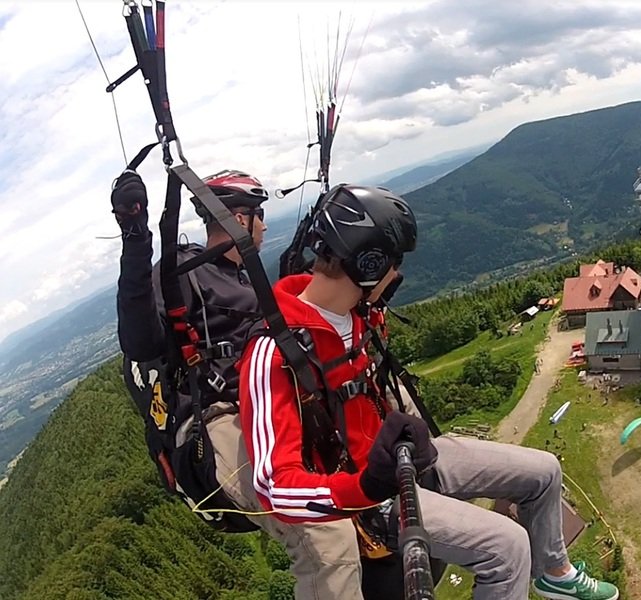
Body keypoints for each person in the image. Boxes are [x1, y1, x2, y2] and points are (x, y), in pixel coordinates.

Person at [238, 184, 620, 600]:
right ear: (369, 264)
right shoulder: (274, 353)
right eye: (395, 263)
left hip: (408, 460)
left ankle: (554, 572)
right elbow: (274, 488)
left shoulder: (356, 315)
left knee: (545, 471)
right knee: (507, 547)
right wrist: (365, 487)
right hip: (371, 497)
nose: (397, 277)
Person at [112, 168, 367, 597]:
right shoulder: (182, 272)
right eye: (258, 215)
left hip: (267, 404)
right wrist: (135, 238)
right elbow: (140, 341)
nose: (264, 225)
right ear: (237, 218)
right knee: (323, 532)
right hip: (218, 420)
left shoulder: (244, 276)